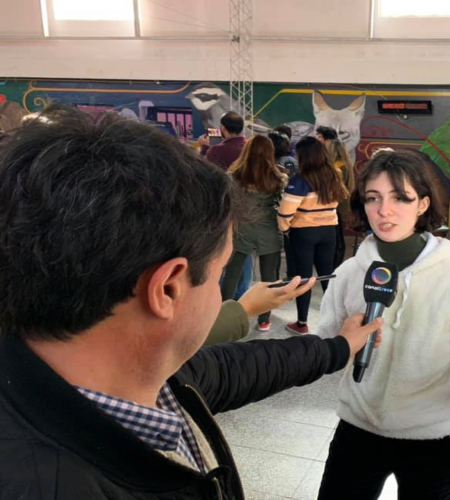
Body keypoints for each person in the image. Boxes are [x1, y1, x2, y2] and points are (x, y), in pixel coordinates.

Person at [0, 105, 385, 499]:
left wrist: (337, 346)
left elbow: (235, 369)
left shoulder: (147, 378)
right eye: (220, 276)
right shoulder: (48, 484)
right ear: (167, 289)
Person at [315, 150, 450, 500]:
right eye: (373, 198)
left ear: (423, 204)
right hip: (358, 428)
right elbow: (325, 348)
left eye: (400, 197)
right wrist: (342, 342)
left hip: (432, 438)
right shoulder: (351, 273)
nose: (384, 211)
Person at [278, 137, 348, 335]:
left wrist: (285, 229)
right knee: (328, 276)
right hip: (329, 232)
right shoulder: (335, 175)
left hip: (304, 232)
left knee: (303, 278)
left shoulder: (300, 180)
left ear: (303, 156)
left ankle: (301, 323)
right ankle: (335, 322)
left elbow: (285, 212)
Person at [220, 135, 286, 332]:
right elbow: (282, 206)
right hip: (269, 231)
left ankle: (221, 316)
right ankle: (264, 320)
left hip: (241, 230)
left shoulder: (233, 176)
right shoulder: (278, 178)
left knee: (231, 274)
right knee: (270, 278)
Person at [325, 138, 356, 269]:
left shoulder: (336, 167)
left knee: (336, 239)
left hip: (334, 205)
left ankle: (334, 265)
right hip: (343, 205)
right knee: (338, 236)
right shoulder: (346, 165)